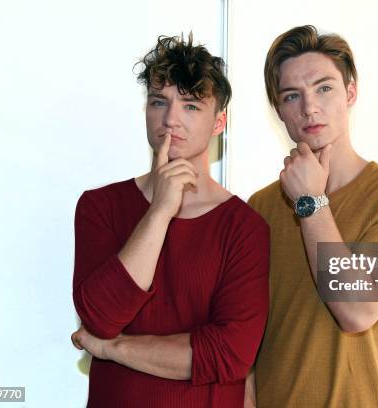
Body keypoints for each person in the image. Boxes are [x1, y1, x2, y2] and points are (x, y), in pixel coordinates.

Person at [70, 33, 269, 408]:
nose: (170, 119)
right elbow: (100, 318)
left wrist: (114, 349)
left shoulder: (245, 227)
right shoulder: (100, 207)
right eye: (158, 102)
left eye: (191, 106)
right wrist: (160, 210)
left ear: (218, 122)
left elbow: (230, 354)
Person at [245, 25, 378, 408]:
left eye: (324, 88)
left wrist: (310, 201)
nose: (309, 107)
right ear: (279, 111)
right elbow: (245, 341)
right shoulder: (260, 207)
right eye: (292, 95)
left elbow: (357, 310)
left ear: (350, 92)